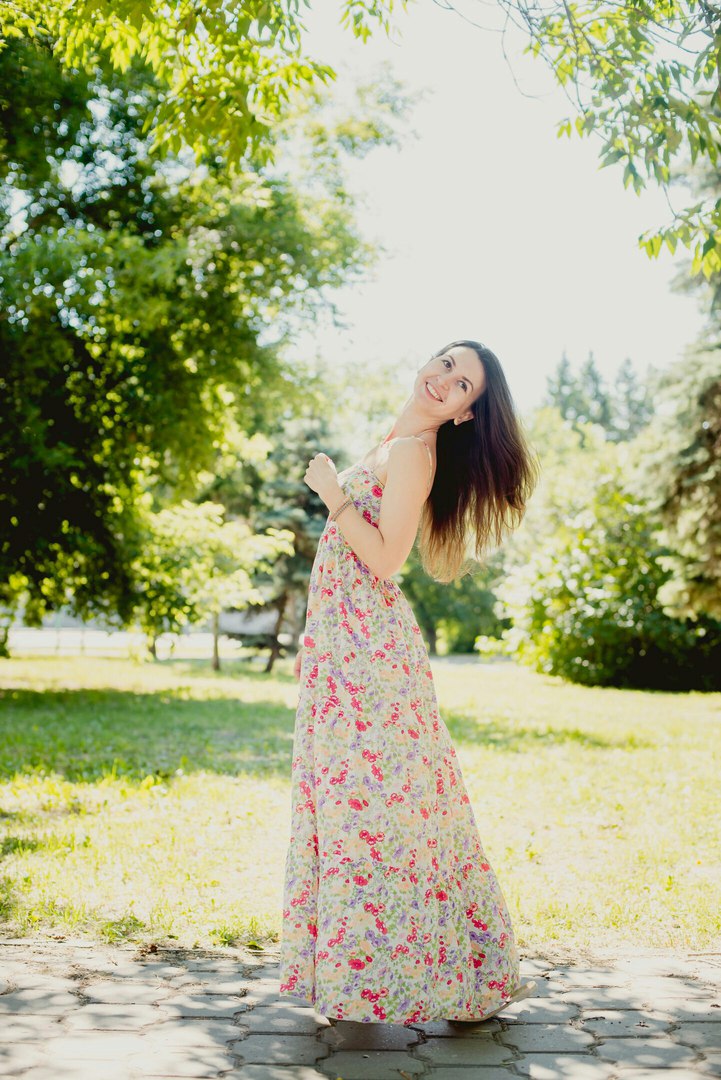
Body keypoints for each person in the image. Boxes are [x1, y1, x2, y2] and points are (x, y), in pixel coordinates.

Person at [278, 340, 540, 1026]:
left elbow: (386, 558)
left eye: (463, 385)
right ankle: (376, 978)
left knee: (377, 809)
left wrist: (332, 493)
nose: (444, 381)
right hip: (346, 645)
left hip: (371, 654)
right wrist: (315, 641)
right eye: (446, 364)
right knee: (365, 807)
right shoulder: (393, 441)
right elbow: (347, 557)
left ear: (464, 414)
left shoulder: (412, 453)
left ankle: (425, 978)